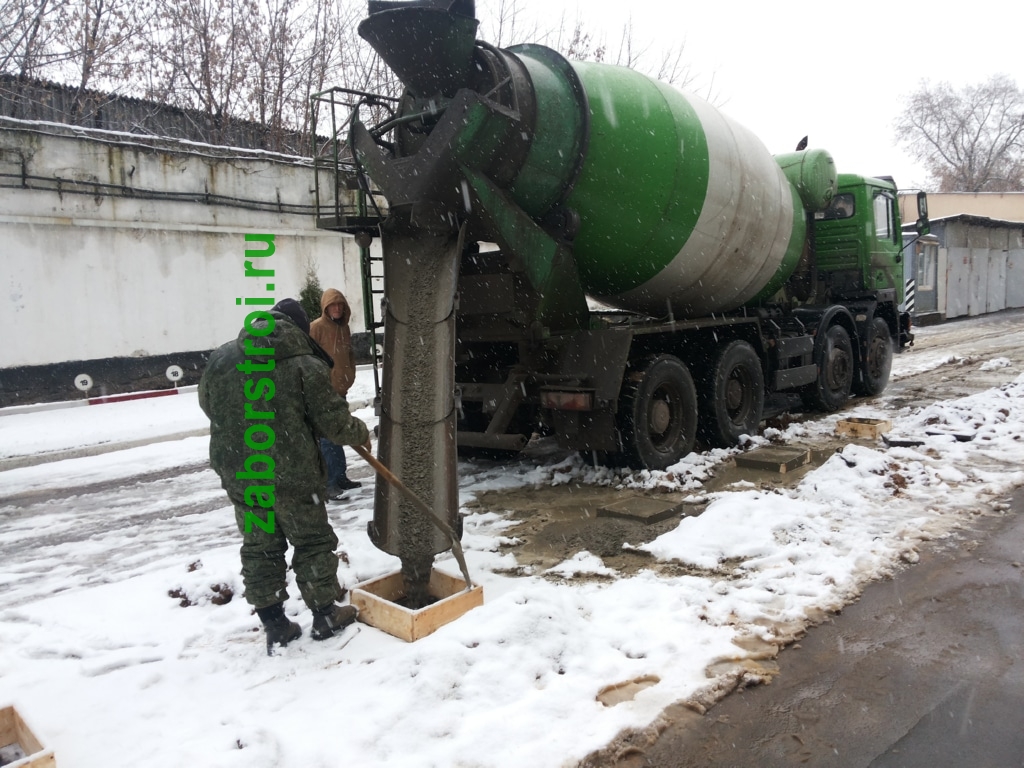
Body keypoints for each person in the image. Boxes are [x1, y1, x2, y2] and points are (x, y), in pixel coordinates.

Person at [199, 298, 371, 655]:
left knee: (260, 545)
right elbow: (333, 422)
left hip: (243, 472)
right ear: (297, 330)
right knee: (311, 541)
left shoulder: (223, 358)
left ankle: (275, 625)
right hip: (293, 474)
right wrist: (359, 432)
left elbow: (209, 404)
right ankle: (325, 615)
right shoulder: (304, 363)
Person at [309, 288, 361, 499]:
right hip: (324, 392)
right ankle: (329, 484)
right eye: (333, 305)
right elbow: (309, 359)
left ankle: (340, 477)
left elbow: (348, 355)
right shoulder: (316, 327)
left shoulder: (344, 328)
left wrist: (350, 376)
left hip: (340, 391)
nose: (337, 308)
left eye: (340, 304)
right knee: (328, 438)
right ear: (325, 307)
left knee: (338, 434)